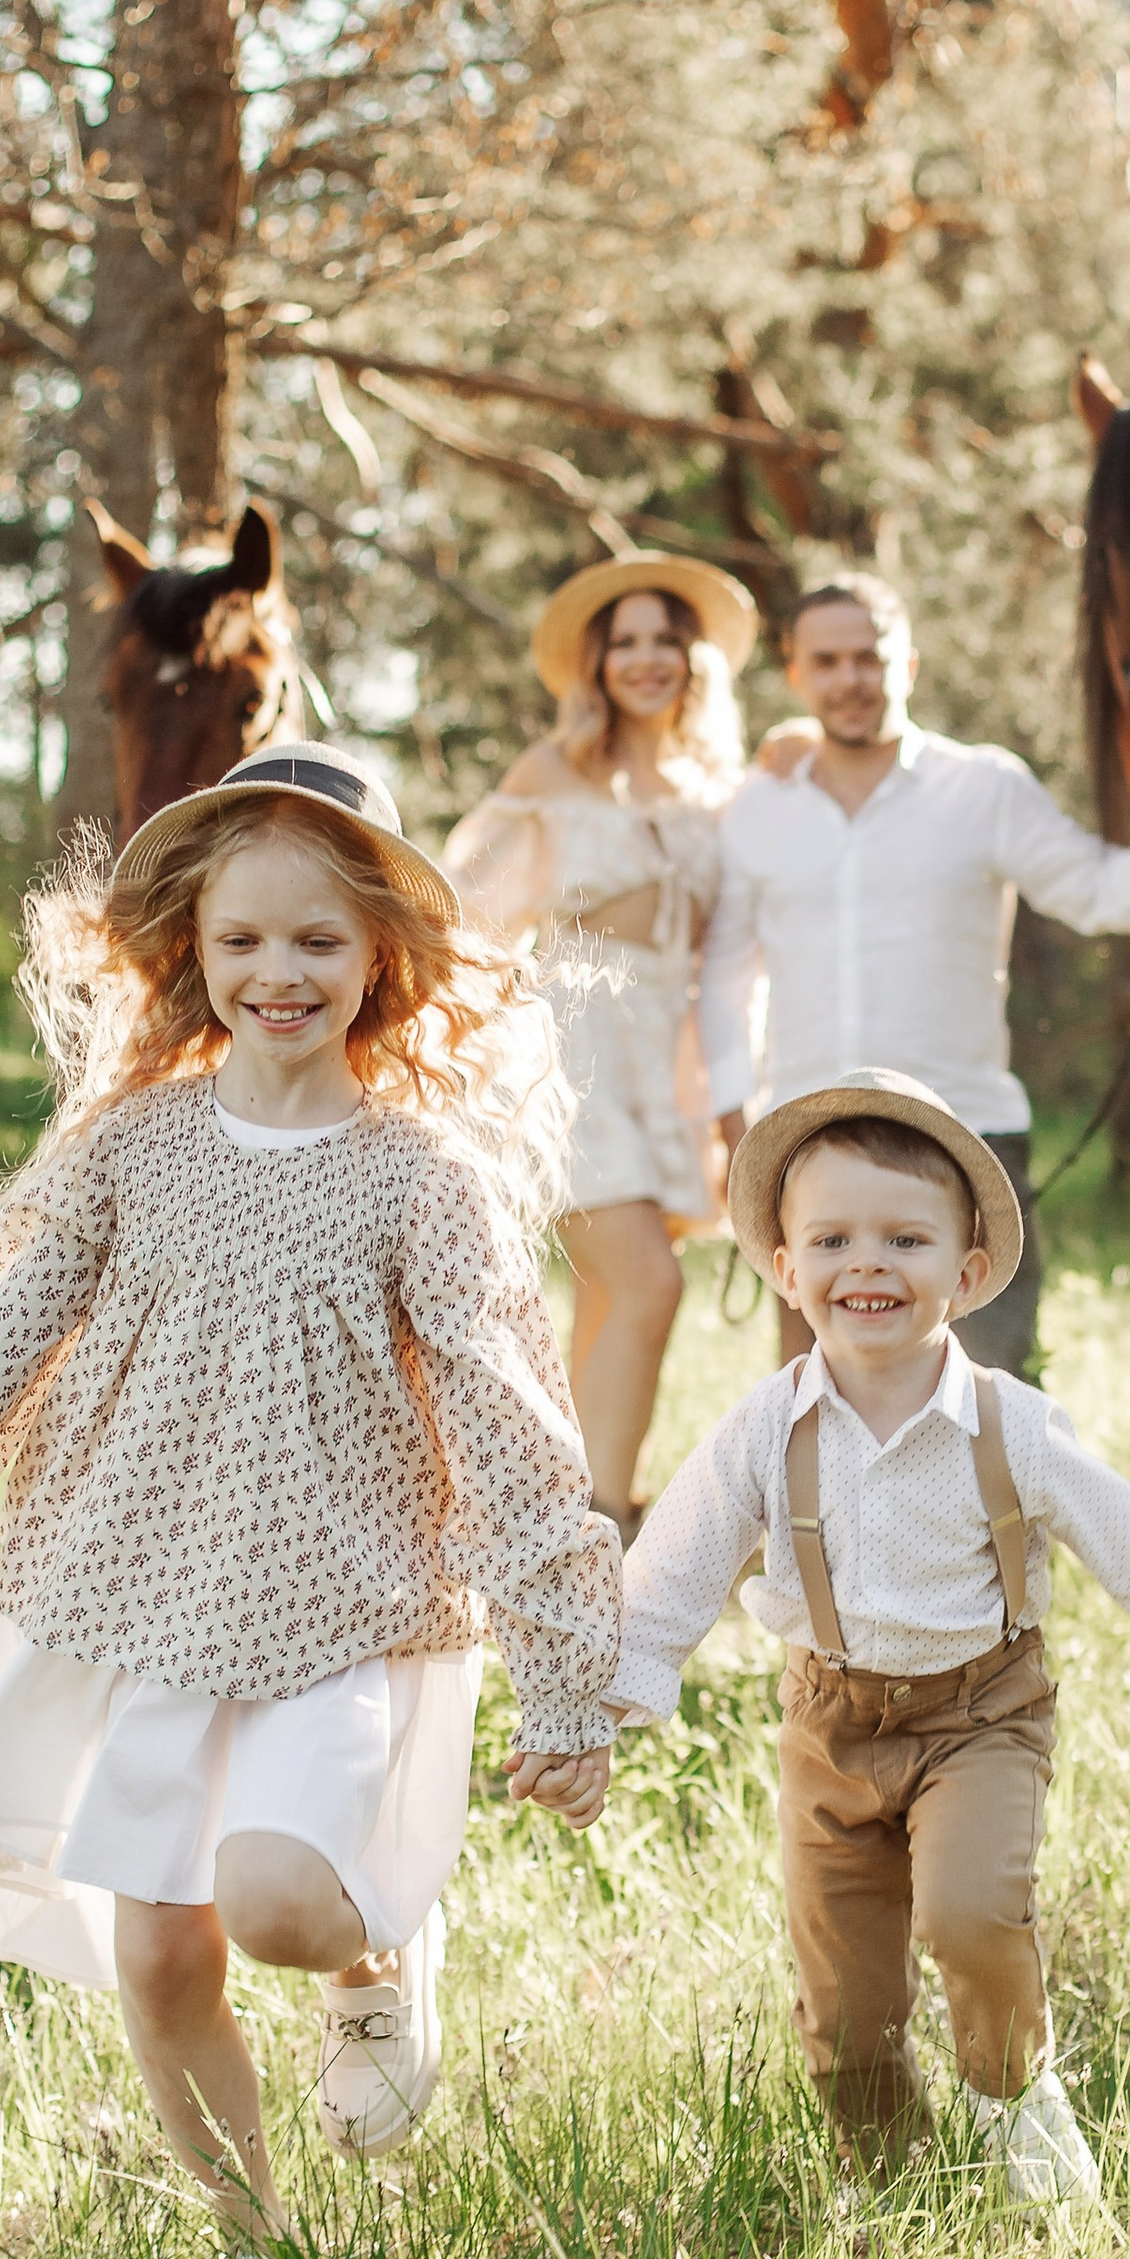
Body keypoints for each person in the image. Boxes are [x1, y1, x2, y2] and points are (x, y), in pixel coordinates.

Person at [0, 739, 619, 2259]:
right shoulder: (126, 1156)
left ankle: (379, 1953)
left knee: (274, 1900)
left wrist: (566, 1674)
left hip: (353, 1603)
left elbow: (512, 1429)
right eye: (246, 939)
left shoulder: (424, 1181)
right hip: (144, 1590)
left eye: (319, 942)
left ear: (383, 962)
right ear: (191, 952)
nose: (281, 972)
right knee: (158, 1942)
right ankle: (253, 2256)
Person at [610, 1068, 1130, 2205]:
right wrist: (610, 1701)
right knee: (844, 2006)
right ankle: (885, 2180)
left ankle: (1014, 2095)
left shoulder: (1008, 1426)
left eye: (905, 1238)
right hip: (829, 1725)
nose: (867, 1264)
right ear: (786, 1271)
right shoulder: (763, 1431)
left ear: (966, 1272)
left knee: (972, 1916)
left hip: (980, 1714)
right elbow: (672, 1569)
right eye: (830, 1239)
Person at [696, 575, 1130, 1379]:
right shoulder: (757, 809)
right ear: (797, 673)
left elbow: (1090, 887)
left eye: (869, 658)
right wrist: (737, 1122)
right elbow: (724, 978)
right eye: (829, 661)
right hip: (807, 1139)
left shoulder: (983, 787)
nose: (851, 679)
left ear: (906, 665)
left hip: (966, 1131)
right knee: (812, 1398)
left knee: (987, 1385)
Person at [446, 555, 758, 1538]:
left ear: (692, 658)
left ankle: (543, 1532)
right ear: (597, 663)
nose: (646, 658)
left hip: (664, 1064)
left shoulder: (717, 787)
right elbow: (463, 921)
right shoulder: (552, 773)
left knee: (606, 1306)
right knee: (646, 1286)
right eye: (624, 642)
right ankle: (605, 1532)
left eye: (665, 639)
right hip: (566, 1055)